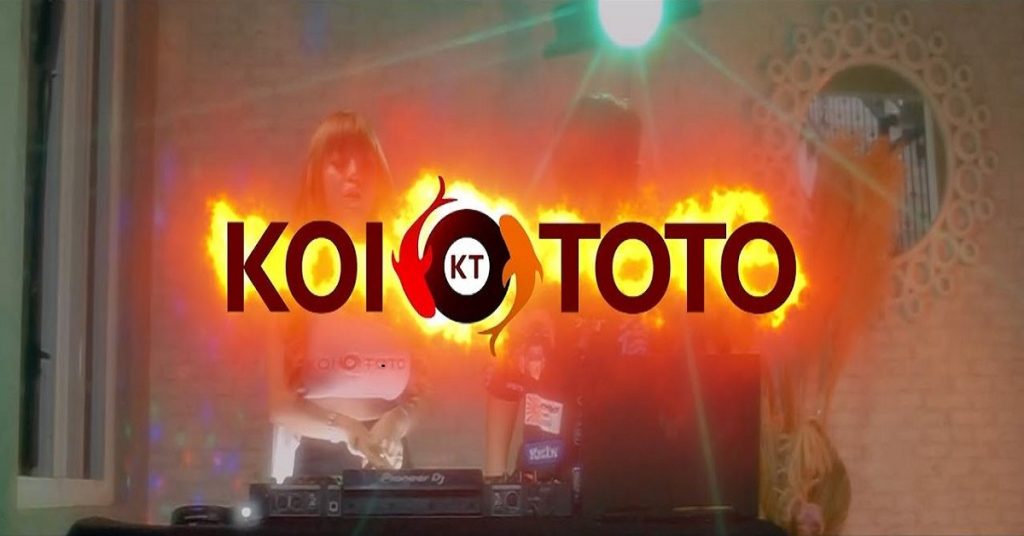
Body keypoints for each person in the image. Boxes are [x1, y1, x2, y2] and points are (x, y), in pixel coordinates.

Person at [484, 94, 665, 510]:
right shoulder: (536, 267)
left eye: (620, 164)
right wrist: (494, 494)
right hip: (543, 490)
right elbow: (503, 386)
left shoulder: (655, 270)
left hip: (632, 492)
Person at [269, 111, 422, 480]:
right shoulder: (288, 270)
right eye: (338, 164)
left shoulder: (406, 271)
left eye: (365, 164)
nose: (354, 174)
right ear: (317, 176)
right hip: (318, 464)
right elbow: (280, 405)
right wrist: (347, 430)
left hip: (392, 461)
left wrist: (396, 423)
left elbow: (421, 393)